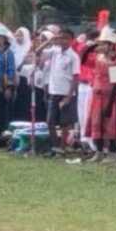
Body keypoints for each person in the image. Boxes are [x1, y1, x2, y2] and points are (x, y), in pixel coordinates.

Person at [38, 27, 81, 155]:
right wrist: (50, 40)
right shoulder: (55, 51)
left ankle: (62, 147)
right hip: (53, 91)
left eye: (66, 38)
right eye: (61, 38)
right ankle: (55, 145)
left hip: (66, 93)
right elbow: (38, 51)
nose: (63, 41)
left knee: (64, 123)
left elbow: (76, 77)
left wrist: (68, 97)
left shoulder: (73, 56)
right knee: (50, 121)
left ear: (72, 40)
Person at [85, 28, 116, 162]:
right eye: (101, 43)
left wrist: (112, 100)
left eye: (104, 44)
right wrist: (94, 46)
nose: (101, 46)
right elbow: (83, 55)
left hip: (109, 96)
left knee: (110, 124)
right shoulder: (97, 57)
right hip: (97, 95)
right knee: (96, 123)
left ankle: (112, 153)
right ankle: (99, 151)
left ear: (111, 45)